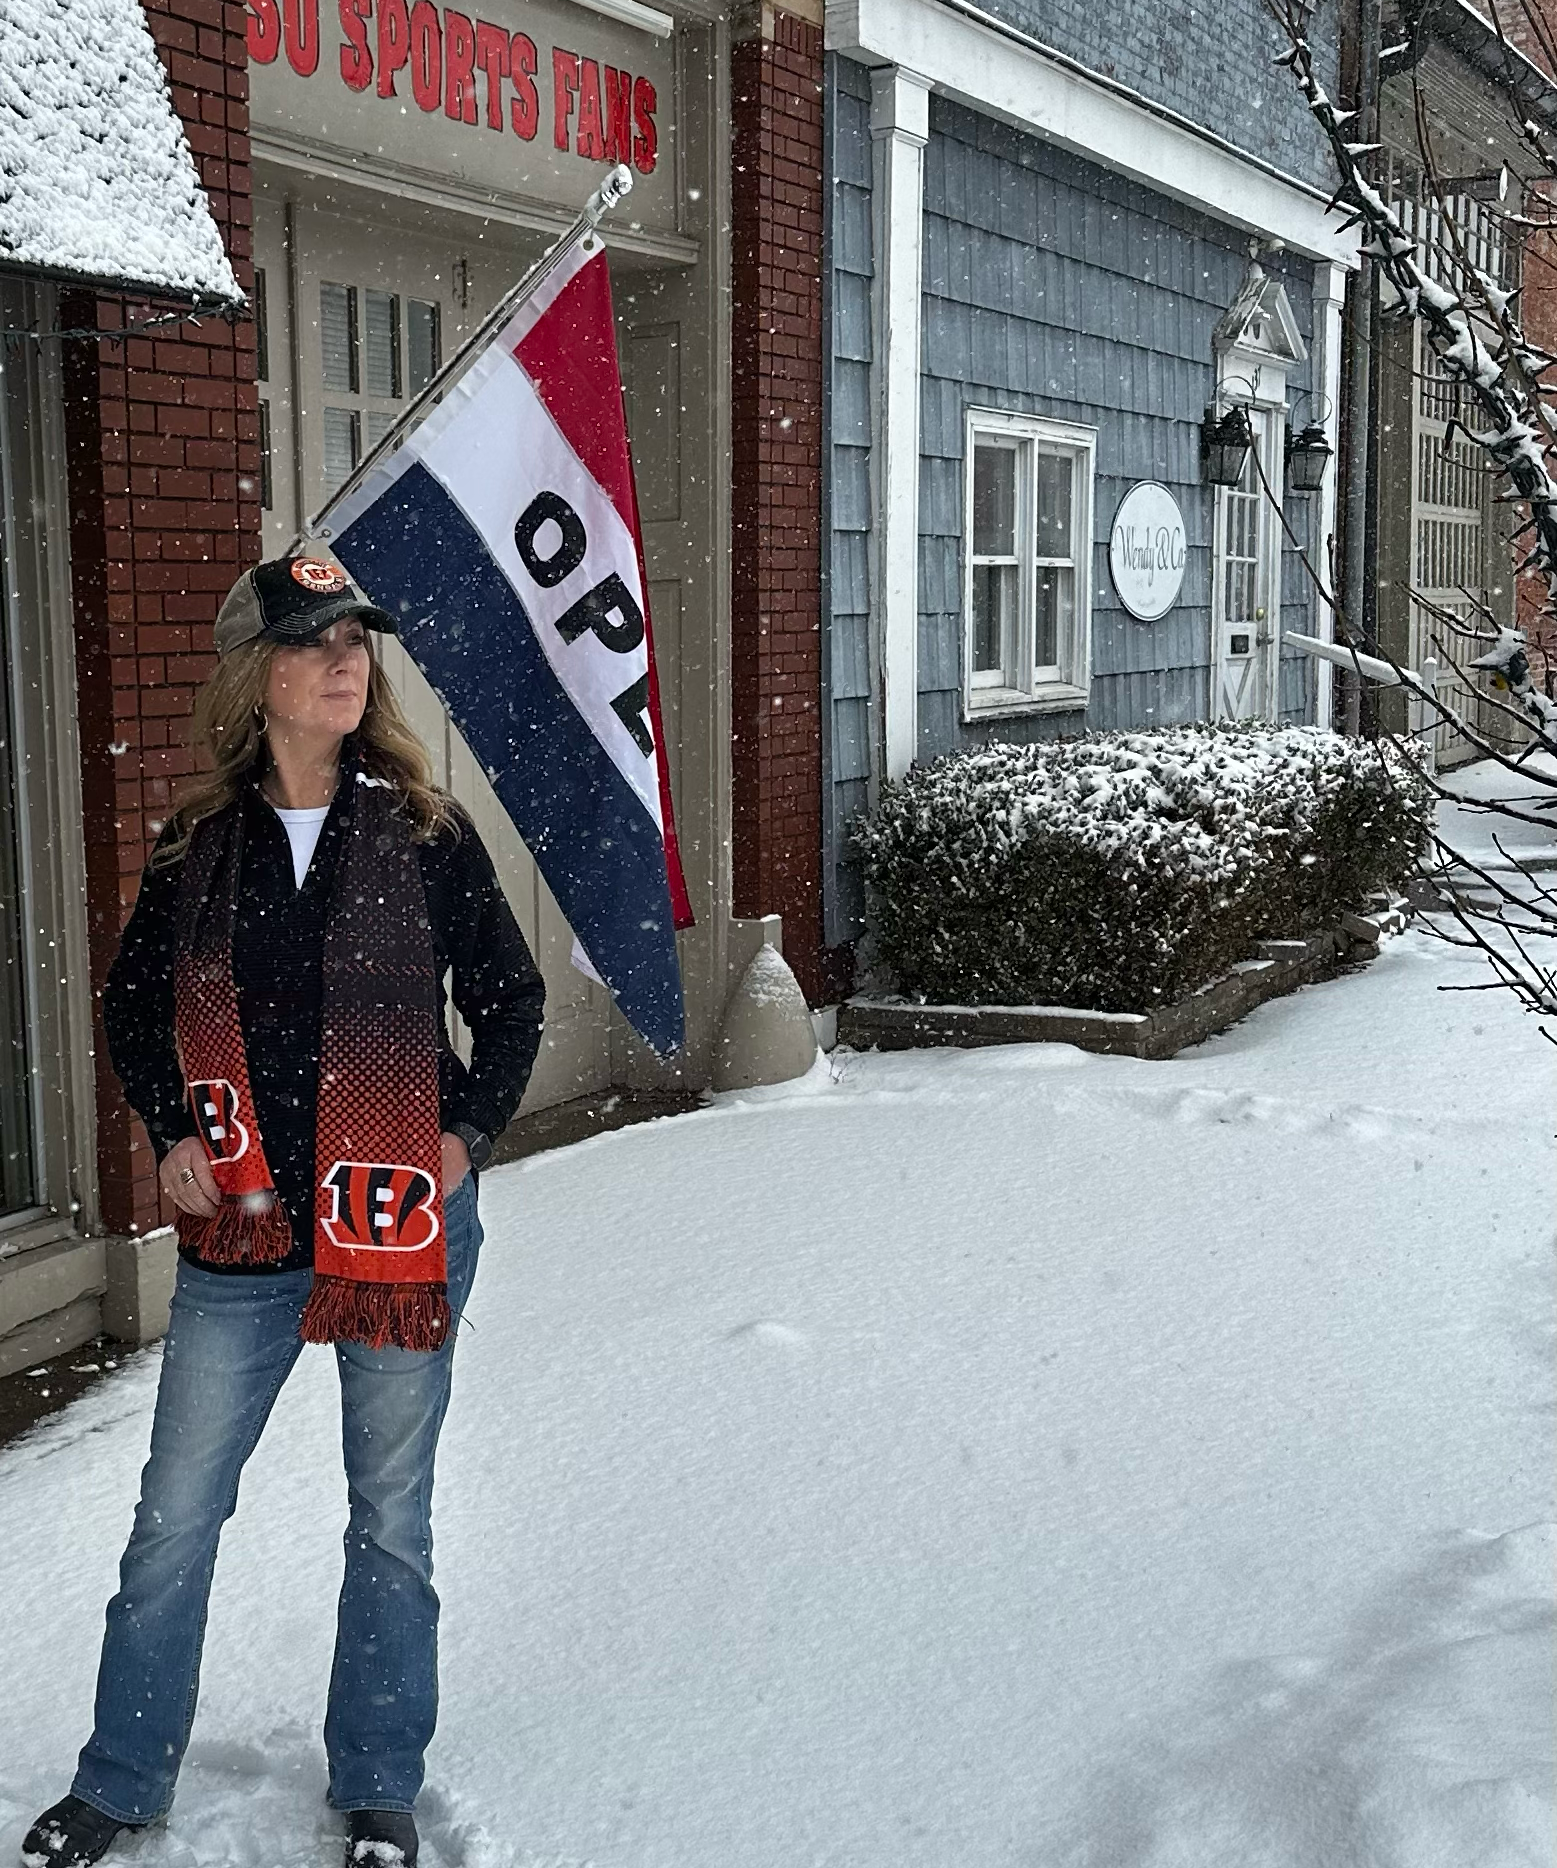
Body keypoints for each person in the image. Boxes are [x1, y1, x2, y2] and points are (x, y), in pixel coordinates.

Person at [23, 555, 546, 1868]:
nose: (345, 661)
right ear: (259, 676)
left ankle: (376, 1780)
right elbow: (138, 1006)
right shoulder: (200, 845)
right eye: (314, 642)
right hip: (246, 1229)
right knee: (177, 1512)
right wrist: (171, 1129)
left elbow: (513, 999)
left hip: (396, 1218)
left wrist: (464, 1134)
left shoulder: (425, 833)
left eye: (357, 638)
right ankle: (120, 1777)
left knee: (391, 1513)